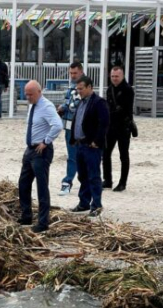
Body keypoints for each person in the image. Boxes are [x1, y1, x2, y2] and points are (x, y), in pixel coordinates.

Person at [18, 80, 63, 233]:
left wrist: (46, 141)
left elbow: (57, 125)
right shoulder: (33, 105)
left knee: (42, 187)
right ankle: (26, 216)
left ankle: (43, 222)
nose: (27, 97)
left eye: (30, 94)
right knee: (23, 183)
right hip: (30, 149)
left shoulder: (47, 106)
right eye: (26, 94)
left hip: (41, 151)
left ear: (39, 92)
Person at [70, 76, 110, 217]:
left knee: (93, 176)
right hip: (80, 144)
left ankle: (96, 205)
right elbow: (78, 121)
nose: (79, 91)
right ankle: (84, 203)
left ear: (89, 87)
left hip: (91, 146)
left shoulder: (99, 102)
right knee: (82, 176)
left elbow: (104, 123)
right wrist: (74, 139)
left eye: (81, 89)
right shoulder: (81, 103)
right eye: (78, 89)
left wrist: (96, 141)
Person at [103, 65, 135, 192]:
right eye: (112, 76)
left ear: (122, 76)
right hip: (110, 127)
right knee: (105, 154)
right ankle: (108, 180)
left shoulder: (128, 90)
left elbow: (126, 110)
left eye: (117, 76)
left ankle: (123, 183)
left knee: (123, 156)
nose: (114, 78)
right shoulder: (109, 89)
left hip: (123, 127)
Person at [57, 61, 85, 196]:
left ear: (81, 71)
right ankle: (82, 181)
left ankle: (67, 182)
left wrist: (64, 106)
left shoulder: (84, 85)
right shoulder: (72, 86)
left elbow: (75, 104)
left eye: (75, 73)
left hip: (79, 127)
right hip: (69, 126)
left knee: (76, 157)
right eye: (71, 73)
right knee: (74, 156)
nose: (73, 75)